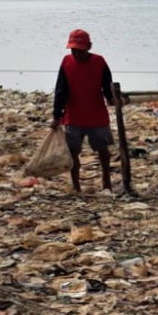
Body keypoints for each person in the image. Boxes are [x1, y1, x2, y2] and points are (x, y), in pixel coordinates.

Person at [52, 29, 115, 193]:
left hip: (96, 114)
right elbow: (61, 91)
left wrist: (112, 99)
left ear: (89, 47)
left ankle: (106, 182)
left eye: (80, 50)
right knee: (73, 152)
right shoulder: (67, 62)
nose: (77, 54)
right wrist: (56, 116)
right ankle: (76, 185)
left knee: (103, 150)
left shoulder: (99, 62)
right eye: (74, 50)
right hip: (74, 115)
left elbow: (107, 86)